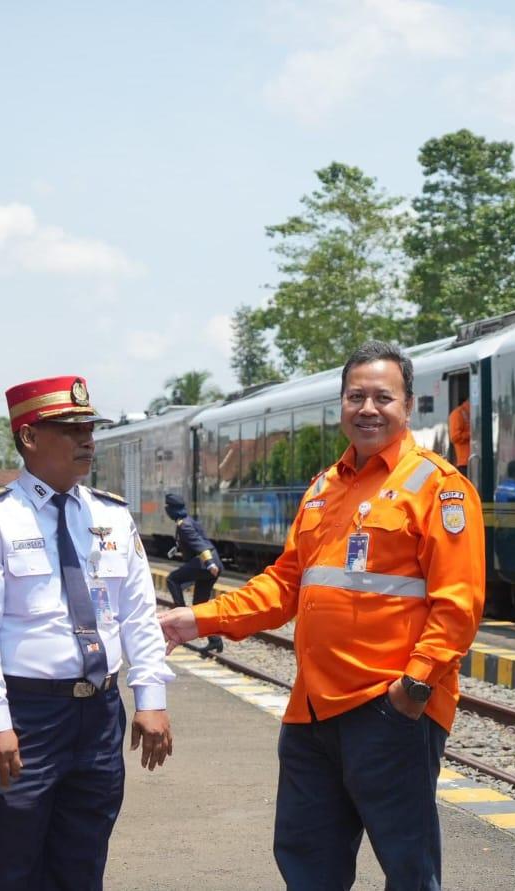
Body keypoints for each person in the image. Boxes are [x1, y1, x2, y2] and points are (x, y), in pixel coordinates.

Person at [161, 341, 486, 891]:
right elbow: (285, 584)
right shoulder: (323, 489)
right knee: (307, 865)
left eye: (383, 397)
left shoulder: (439, 487)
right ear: (340, 404)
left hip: (387, 710)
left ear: (408, 406)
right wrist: (199, 620)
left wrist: (413, 688)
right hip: (310, 715)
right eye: (356, 396)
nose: (368, 408)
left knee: (410, 871)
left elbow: (458, 604)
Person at [0, 375, 174, 891]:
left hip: (99, 714)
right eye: (72, 429)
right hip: (27, 715)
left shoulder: (112, 517)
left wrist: (151, 698)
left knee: (83, 862)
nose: (88, 441)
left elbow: (138, 614)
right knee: (11, 865)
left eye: (90, 428)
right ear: (29, 437)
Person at [163, 492, 224, 653]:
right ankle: (215, 640)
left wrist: (209, 562)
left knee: (172, 580)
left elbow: (199, 544)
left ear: (171, 510)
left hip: (205, 563)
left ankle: (180, 615)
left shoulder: (184, 525)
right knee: (200, 605)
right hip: (211, 562)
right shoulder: (188, 521)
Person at [447, 397, 471, 471]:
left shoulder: (474, 414)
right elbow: (454, 437)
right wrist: (472, 434)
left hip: (474, 460)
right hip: (465, 462)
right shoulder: (457, 414)